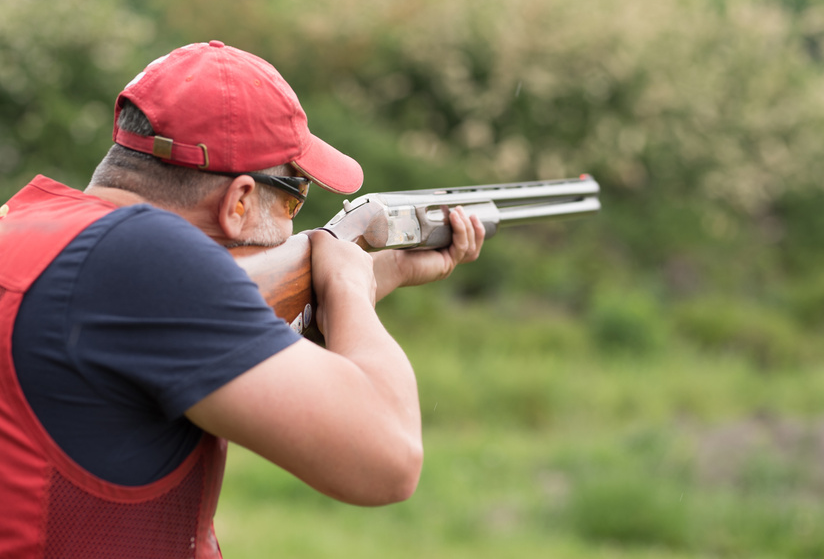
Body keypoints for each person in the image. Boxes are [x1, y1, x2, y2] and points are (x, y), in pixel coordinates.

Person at [0, 40, 485, 558]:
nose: (296, 224)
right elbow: (390, 460)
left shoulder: (26, 227)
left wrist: (376, 273)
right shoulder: (151, 262)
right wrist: (348, 289)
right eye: (294, 196)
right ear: (239, 202)